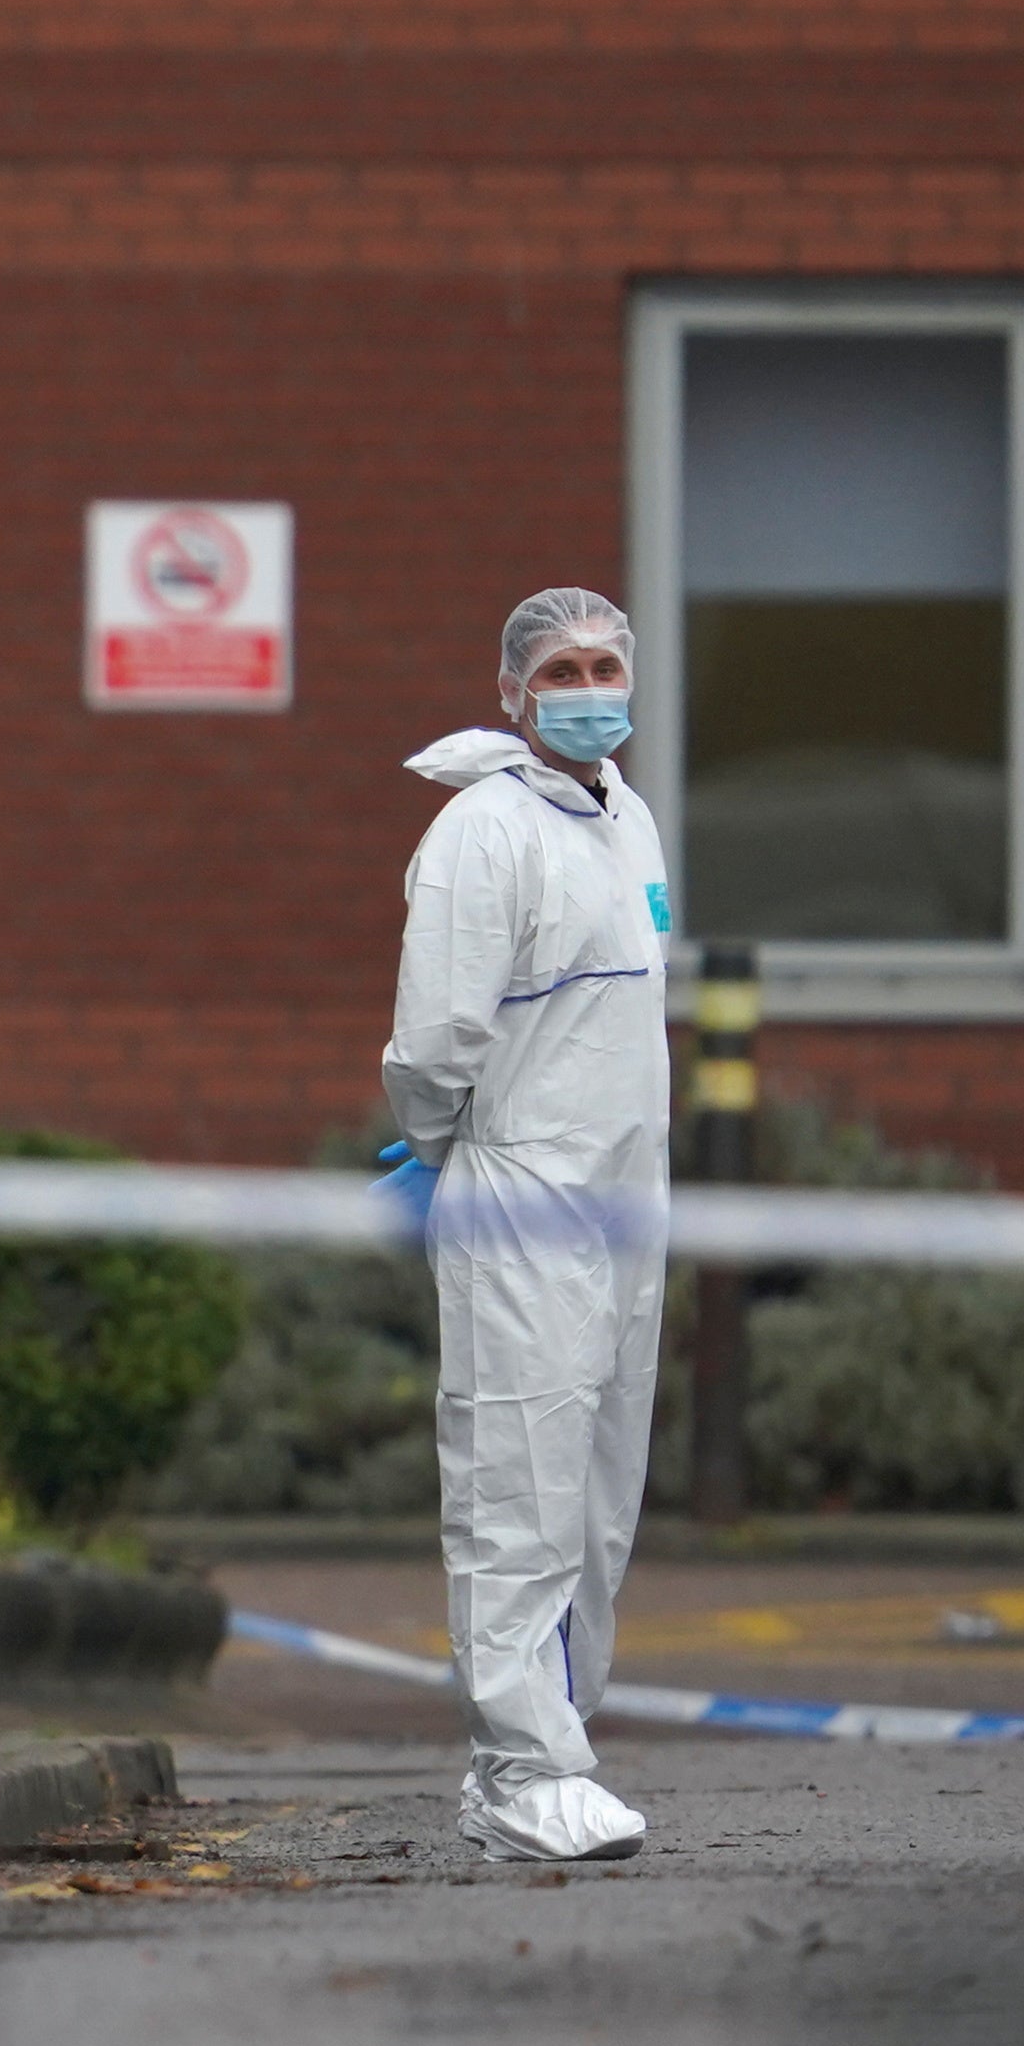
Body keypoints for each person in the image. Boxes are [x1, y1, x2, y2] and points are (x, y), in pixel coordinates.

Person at [373, 585, 671, 1865]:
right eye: (562, 668)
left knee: (598, 1487)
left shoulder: (629, 821)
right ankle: (518, 1764)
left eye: (608, 663)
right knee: (518, 1479)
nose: (590, 687)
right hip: (521, 1187)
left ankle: (562, 1742)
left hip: (622, 1190)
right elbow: (437, 1034)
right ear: (511, 690)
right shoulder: (477, 834)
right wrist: (441, 1146)